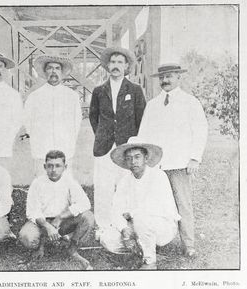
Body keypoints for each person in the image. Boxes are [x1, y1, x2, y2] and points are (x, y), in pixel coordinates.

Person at [138, 63, 208, 257]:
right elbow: (144, 134)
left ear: (179, 77)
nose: (165, 80)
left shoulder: (190, 102)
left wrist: (195, 158)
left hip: (179, 163)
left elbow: (200, 131)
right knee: (155, 203)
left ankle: (189, 245)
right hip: (156, 166)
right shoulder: (152, 105)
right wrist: (146, 161)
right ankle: (155, 241)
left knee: (183, 204)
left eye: (169, 76)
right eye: (162, 77)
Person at [89, 47, 146, 237]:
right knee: (103, 187)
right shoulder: (98, 91)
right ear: (107, 65)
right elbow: (93, 118)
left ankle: (126, 226)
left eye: (120, 62)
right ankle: (103, 227)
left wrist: (131, 143)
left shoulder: (135, 90)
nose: (115, 66)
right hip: (104, 148)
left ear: (126, 66)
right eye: (112, 62)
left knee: (126, 185)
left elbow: (141, 119)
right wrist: (104, 135)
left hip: (126, 147)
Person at [100, 136, 181, 270]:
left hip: (162, 227)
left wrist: (132, 214)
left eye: (137, 157)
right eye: (129, 158)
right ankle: (138, 250)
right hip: (133, 226)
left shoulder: (158, 176)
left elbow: (157, 208)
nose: (133, 162)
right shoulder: (124, 181)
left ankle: (150, 262)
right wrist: (124, 229)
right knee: (107, 239)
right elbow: (116, 209)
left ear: (146, 158)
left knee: (142, 220)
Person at [19, 150, 95, 270]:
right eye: (50, 166)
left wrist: (61, 217)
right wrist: (47, 226)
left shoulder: (70, 182)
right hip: (41, 223)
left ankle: (72, 249)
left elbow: (85, 203)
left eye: (58, 166)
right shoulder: (37, 183)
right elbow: (32, 211)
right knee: (27, 237)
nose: (53, 170)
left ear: (65, 167)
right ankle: (40, 246)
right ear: (45, 166)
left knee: (88, 217)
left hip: (63, 222)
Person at [24, 55, 82, 176]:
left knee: (65, 181)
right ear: (45, 72)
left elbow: (77, 122)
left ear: (62, 72)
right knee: (41, 180)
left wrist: (68, 140)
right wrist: (37, 139)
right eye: (50, 68)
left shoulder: (72, 96)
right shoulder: (35, 96)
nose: (53, 71)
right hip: (42, 147)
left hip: (64, 146)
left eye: (57, 68)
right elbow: (28, 123)